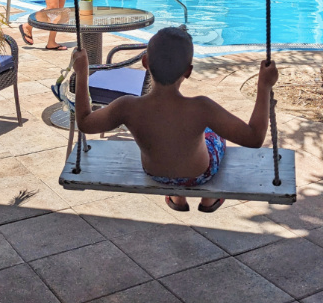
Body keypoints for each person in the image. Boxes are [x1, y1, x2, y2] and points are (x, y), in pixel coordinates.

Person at [72, 26, 278, 212]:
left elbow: (85, 122)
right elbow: (254, 138)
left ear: (145, 62)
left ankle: (177, 197)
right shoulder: (201, 108)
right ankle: (208, 197)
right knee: (214, 135)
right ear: (188, 72)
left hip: (155, 173)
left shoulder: (127, 106)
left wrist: (82, 72)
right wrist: (264, 86)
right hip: (200, 174)